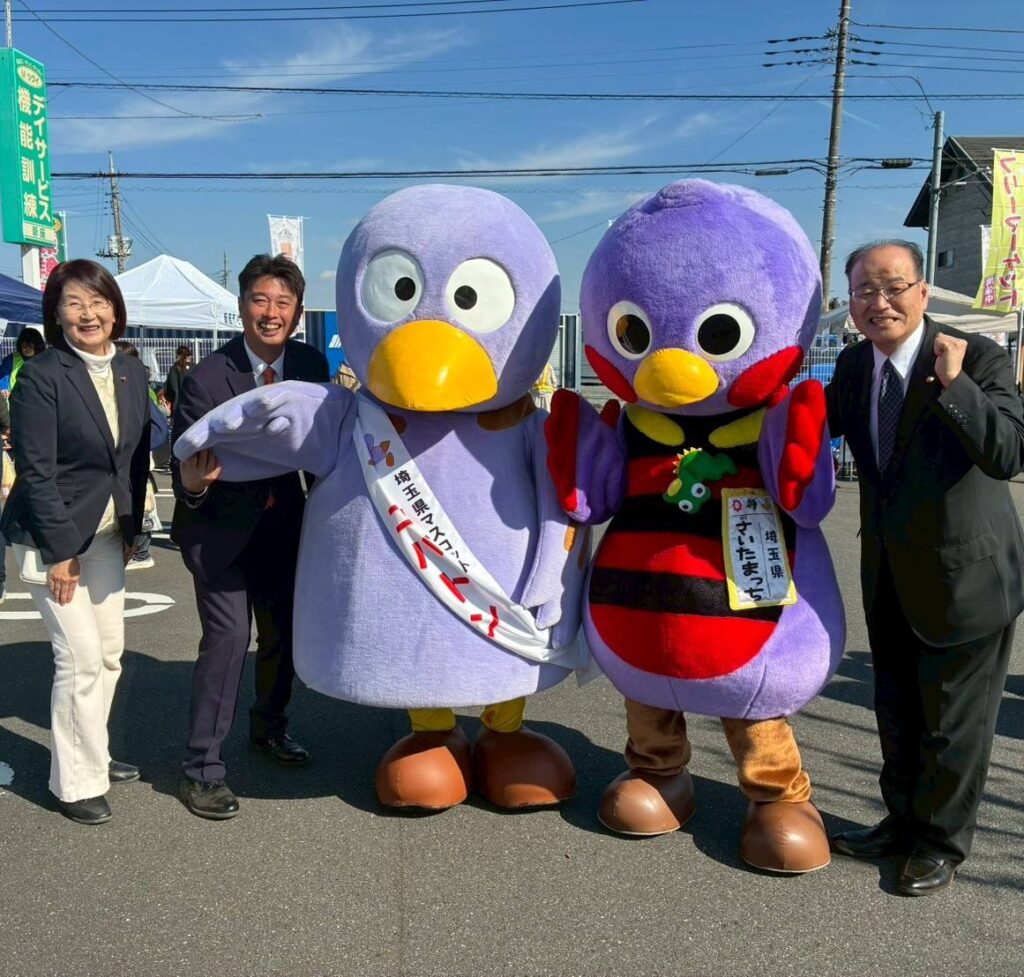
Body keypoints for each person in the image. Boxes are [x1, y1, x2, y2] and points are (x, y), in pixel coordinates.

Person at [824, 240, 1024, 896]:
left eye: (894, 287)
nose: (879, 302)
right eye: (864, 290)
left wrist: (955, 384)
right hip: (887, 568)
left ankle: (939, 842)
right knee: (897, 708)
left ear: (922, 291)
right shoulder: (853, 364)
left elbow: (1007, 453)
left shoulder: (979, 356)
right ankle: (901, 822)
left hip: (968, 577)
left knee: (953, 722)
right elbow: (812, 427)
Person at [171, 253, 329, 820]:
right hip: (220, 532)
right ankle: (201, 770)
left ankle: (270, 729)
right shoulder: (207, 378)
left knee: (283, 636)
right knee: (229, 639)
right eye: (260, 300)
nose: (271, 312)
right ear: (242, 307)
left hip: (284, 528)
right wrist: (191, 487)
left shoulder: (309, 365)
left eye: (283, 303)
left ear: (298, 312)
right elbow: (185, 467)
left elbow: (323, 443)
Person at [0, 260, 151, 825]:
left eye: (98, 301)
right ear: (57, 315)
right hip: (51, 539)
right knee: (80, 659)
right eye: (73, 303)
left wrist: (133, 528)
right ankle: (73, 782)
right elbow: (36, 472)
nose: (88, 314)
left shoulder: (130, 370)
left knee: (109, 655)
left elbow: (134, 458)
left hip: (108, 534)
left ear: (115, 309)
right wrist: (61, 552)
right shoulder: (42, 375)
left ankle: (94, 753)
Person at [115, 340, 170, 570]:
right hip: (123, 468)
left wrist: (135, 446)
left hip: (134, 464)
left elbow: (159, 428)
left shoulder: (138, 390)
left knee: (142, 505)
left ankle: (140, 552)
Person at [0, 326, 46, 396]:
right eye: (24, 346)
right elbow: (3, 375)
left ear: (37, 346)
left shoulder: (44, 360)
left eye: (30, 346)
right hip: (14, 398)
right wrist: (3, 388)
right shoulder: (11, 359)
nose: (27, 349)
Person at [162, 344, 192, 410]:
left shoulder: (174, 369)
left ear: (177, 356)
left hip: (178, 407)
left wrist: (170, 399)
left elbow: (169, 389)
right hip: (192, 406)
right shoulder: (195, 367)